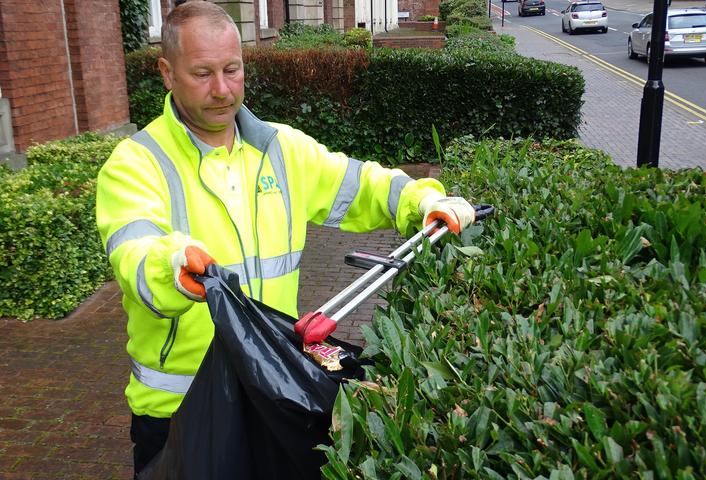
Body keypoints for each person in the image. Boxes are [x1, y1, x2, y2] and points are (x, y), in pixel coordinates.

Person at [95, 1, 475, 477]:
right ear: (167, 73)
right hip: (179, 411)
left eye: (232, 69)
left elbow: (364, 185)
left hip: (272, 396)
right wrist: (171, 264)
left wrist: (423, 201)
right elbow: (136, 254)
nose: (222, 90)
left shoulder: (282, 149)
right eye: (202, 73)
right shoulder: (135, 164)